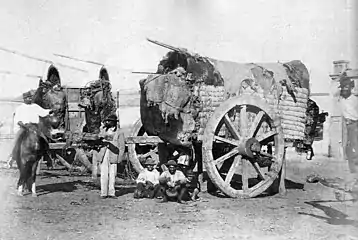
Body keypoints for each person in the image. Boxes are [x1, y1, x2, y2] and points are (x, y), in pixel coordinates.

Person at [7, 92, 51, 168]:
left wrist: (51, 111)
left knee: (44, 139)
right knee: (17, 140)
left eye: (31, 97)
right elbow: (18, 120)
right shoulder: (20, 108)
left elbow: (43, 112)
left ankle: (48, 157)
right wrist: (25, 127)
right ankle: (12, 157)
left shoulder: (35, 106)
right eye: (28, 98)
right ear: (24, 99)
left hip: (35, 126)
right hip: (24, 127)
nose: (30, 99)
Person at [332, 71, 358, 198]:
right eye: (343, 87)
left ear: (351, 88)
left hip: (355, 125)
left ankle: (354, 179)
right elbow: (333, 92)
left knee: (355, 150)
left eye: (347, 87)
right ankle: (353, 175)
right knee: (348, 151)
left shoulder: (355, 100)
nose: (344, 89)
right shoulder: (340, 98)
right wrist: (340, 79)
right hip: (345, 126)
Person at [96, 114, 122, 199]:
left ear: (114, 122)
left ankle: (111, 192)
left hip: (114, 153)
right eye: (107, 121)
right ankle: (103, 193)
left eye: (110, 121)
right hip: (104, 153)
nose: (108, 122)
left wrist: (120, 158)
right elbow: (98, 138)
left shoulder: (119, 132)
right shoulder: (104, 130)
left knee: (112, 174)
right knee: (103, 174)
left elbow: (122, 146)